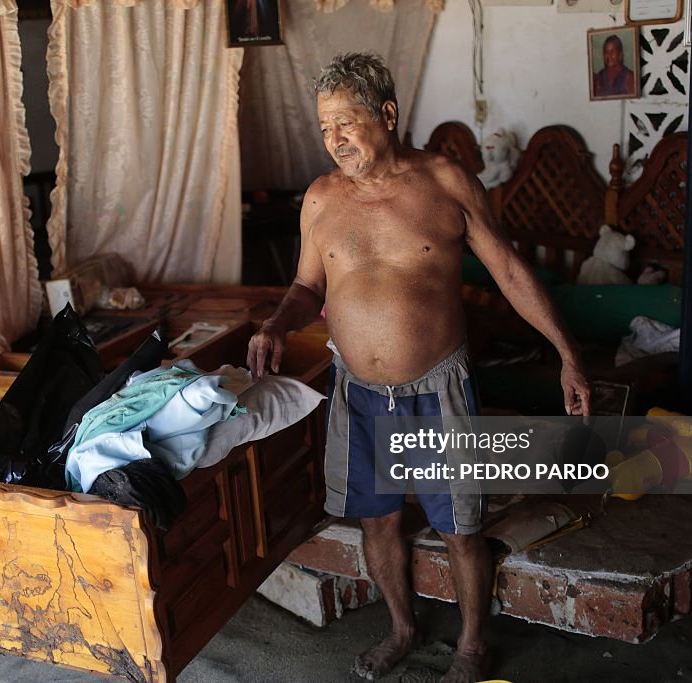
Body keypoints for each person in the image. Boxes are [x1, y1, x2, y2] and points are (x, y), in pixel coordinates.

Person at [246, 53, 591, 683]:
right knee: (377, 519)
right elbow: (303, 285)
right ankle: (403, 629)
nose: (335, 141)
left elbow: (511, 272)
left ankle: (470, 647)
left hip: (439, 388)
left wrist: (568, 357)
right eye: (324, 128)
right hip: (358, 392)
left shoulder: (445, 182)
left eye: (346, 123)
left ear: (388, 114)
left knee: (459, 525)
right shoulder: (321, 199)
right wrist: (276, 323)